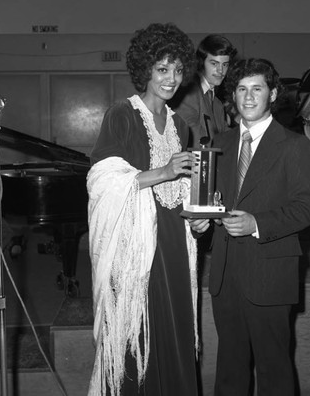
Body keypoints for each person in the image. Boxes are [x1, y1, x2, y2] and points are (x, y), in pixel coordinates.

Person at [189, 58, 310, 395]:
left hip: (270, 273)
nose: (248, 97)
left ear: (273, 93)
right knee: (230, 368)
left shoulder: (294, 145)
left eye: (257, 89)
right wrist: (201, 224)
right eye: (242, 89)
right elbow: (213, 202)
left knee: (274, 369)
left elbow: (309, 208)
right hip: (225, 274)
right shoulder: (222, 142)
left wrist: (256, 223)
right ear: (233, 94)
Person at [87, 23, 200, 396]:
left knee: (175, 326)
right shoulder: (121, 116)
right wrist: (163, 171)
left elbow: (181, 188)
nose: (171, 79)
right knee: (136, 330)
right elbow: (102, 182)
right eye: (162, 69)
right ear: (146, 69)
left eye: (178, 70)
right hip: (136, 248)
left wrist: (198, 215)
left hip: (173, 242)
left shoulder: (182, 126)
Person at [169, 34, 237, 147]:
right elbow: (193, 141)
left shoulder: (218, 105)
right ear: (201, 62)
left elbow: (227, 137)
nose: (220, 70)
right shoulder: (188, 94)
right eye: (214, 63)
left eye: (225, 64)